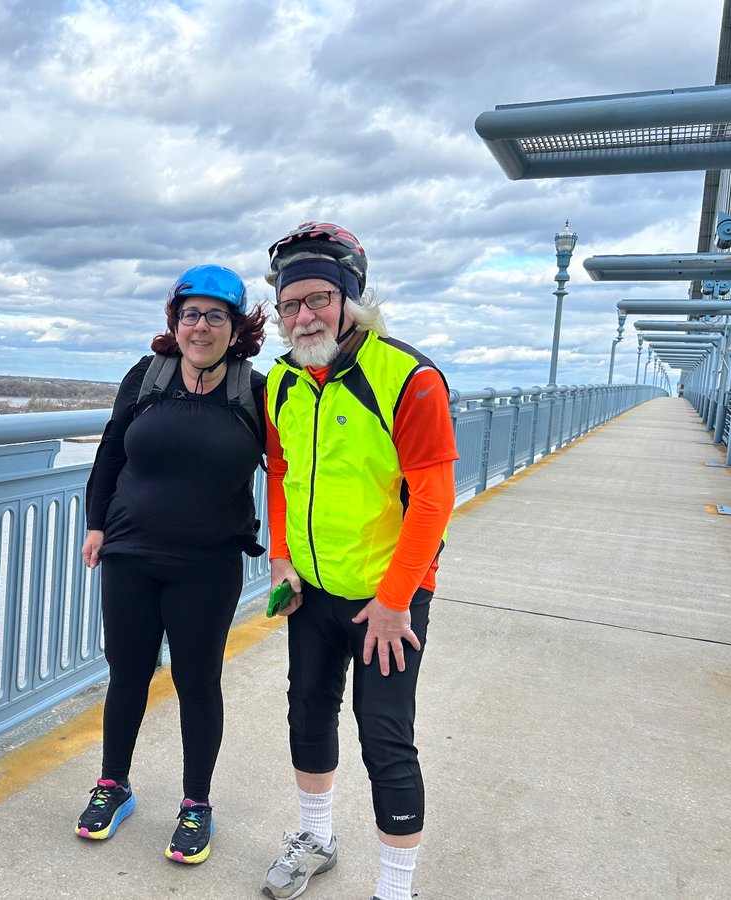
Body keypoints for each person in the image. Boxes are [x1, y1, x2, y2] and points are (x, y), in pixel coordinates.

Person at [258, 223, 458, 900]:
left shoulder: (409, 377)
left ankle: (395, 891)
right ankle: (317, 839)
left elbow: (434, 497)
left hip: (388, 597)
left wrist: (397, 598)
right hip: (312, 591)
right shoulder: (281, 381)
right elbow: (281, 474)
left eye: (317, 298)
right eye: (290, 304)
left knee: (386, 738)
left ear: (351, 299)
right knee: (307, 714)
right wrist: (282, 561)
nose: (303, 315)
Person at [76, 263, 268, 865]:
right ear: (175, 322)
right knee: (127, 672)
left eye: (216, 315)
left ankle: (196, 804)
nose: (201, 326)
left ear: (236, 327)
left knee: (197, 682)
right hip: (131, 553)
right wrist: (96, 523)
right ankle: (113, 785)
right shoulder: (147, 375)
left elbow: (291, 474)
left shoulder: (255, 391)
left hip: (208, 565)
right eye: (191, 315)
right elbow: (111, 450)